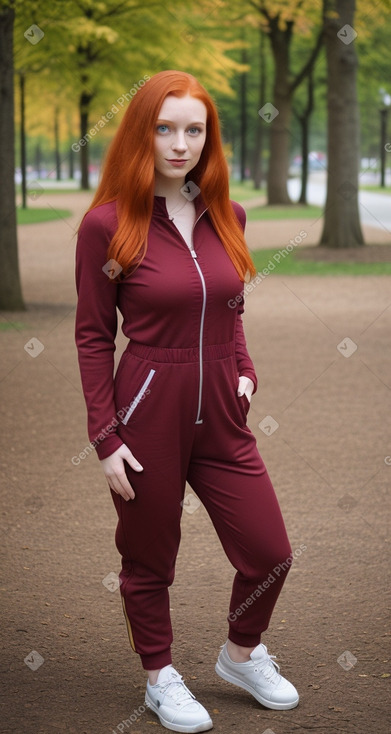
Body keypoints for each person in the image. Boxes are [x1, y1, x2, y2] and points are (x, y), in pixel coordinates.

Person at [75, 69, 299, 733]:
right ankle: (159, 676)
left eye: (193, 129)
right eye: (164, 128)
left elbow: (230, 309)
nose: (179, 143)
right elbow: (92, 336)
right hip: (147, 411)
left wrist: (245, 370)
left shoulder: (227, 214)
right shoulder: (107, 225)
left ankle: (240, 654)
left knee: (270, 552)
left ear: (209, 136)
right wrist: (105, 438)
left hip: (223, 416)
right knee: (149, 558)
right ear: (142, 132)